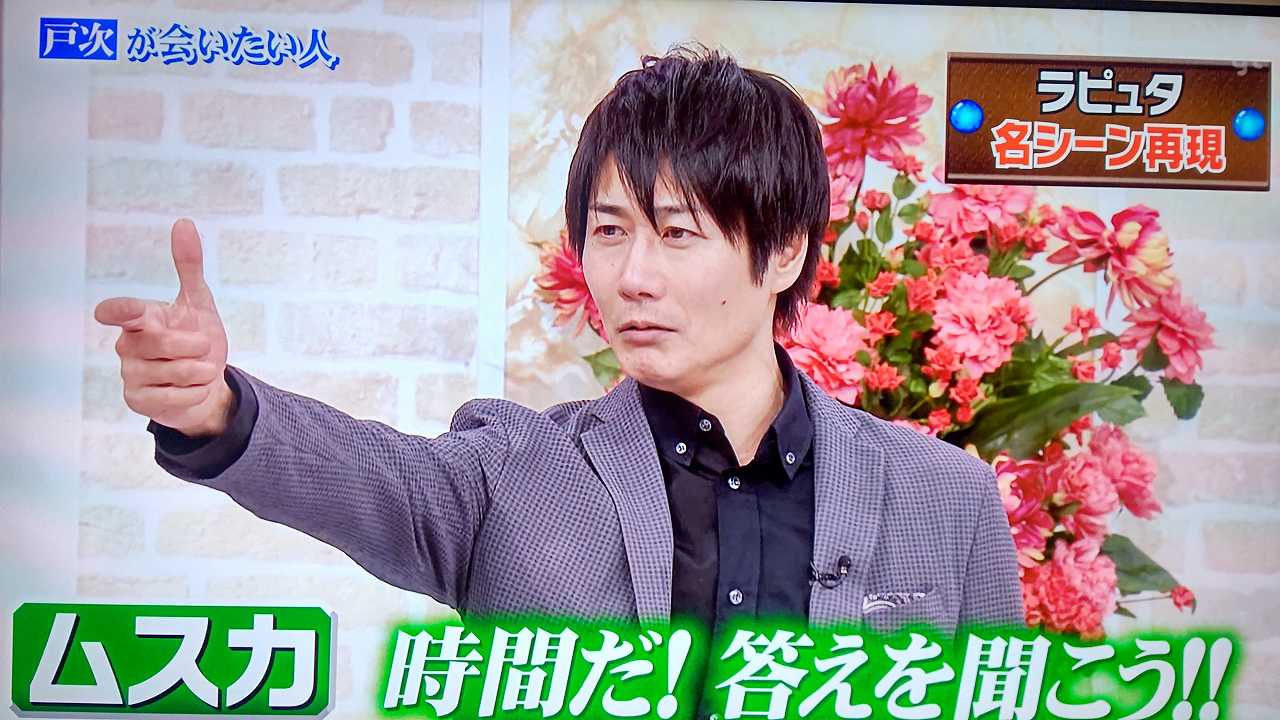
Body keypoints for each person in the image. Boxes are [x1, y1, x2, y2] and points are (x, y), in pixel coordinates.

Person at [95, 46, 1021, 652]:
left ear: (783, 251)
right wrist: (216, 409)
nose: (632, 276)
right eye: (610, 232)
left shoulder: (946, 498)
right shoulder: (513, 476)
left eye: (677, 233)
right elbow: (363, 473)